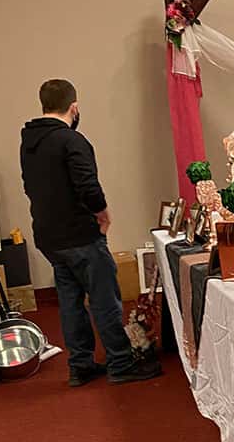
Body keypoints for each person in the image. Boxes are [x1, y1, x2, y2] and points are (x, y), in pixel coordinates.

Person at [20, 79, 162, 385]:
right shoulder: (71, 140)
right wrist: (102, 213)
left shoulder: (29, 142)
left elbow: (29, 186)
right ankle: (121, 364)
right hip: (80, 234)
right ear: (74, 107)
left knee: (70, 302)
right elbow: (87, 185)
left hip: (49, 236)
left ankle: (80, 365)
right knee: (104, 300)